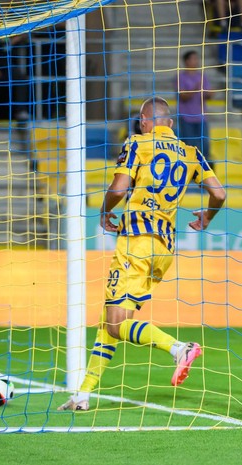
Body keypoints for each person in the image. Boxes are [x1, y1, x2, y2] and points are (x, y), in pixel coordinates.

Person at [59, 96, 226, 411]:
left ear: (143, 121)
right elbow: (219, 193)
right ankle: (83, 394)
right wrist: (206, 217)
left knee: (114, 323)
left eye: (141, 121)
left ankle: (178, 348)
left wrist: (104, 211)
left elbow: (119, 189)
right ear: (171, 124)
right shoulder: (192, 153)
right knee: (110, 321)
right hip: (163, 248)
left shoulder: (138, 143)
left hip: (135, 239)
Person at [176, 50, 213, 159]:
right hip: (186, 117)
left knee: (204, 147)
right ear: (186, 61)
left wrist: (209, 94)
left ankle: (204, 172)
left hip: (201, 117)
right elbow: (183, 96)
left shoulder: (202, 76)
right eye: (193, 59)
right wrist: (195, 89)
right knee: (188, 147)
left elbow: (208, 94)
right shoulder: (180, 77)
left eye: (197, 59)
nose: (196, 61)